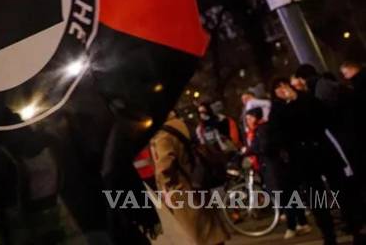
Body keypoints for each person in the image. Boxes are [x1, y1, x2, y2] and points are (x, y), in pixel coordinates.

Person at [271, 77, 366, 245]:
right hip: (303, 159)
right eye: (277, 89)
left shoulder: (308, 99)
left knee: (341, 191)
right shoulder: (278, 110)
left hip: (323, 151)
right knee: (317, 199)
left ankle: (355, 228)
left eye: (284, 86)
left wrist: (297, 100)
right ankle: (329, 236)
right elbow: (279, 134)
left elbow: (324, 118)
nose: (282, 90)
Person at [150, 110, 230, 245]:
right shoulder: (184, 124)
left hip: (181, 189)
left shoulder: (163, 134)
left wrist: (165, 188)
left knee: (194, 235)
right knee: (211, 230)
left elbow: (165, 164)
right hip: (199, 180)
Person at [240, 106, 311, 238]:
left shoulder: (261, 130)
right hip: (279, 167)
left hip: (274, 168)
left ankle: (292, 227)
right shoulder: (262, 129)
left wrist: (248, 151)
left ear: (256, 117)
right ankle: (303, 223)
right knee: (291, 195)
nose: (248, 121)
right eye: (247, 118)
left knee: (283, 197)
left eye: (249, 118)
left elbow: (264, 147)